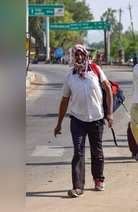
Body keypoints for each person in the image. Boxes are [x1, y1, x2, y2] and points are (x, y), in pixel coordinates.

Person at [54, 44, 114, 197]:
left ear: (86, 55)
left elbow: (108, 90)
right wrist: (59, 124)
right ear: (73, 57)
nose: (79, 57)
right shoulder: (69, 77)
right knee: (78, 152)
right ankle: (77, 186)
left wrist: (110, 114)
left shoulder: (95, 70)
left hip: (96, 118)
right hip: (77, 119)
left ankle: (99, 179)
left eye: (81, 54)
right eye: (76, 55)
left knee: (97, 151)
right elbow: (64, 102)